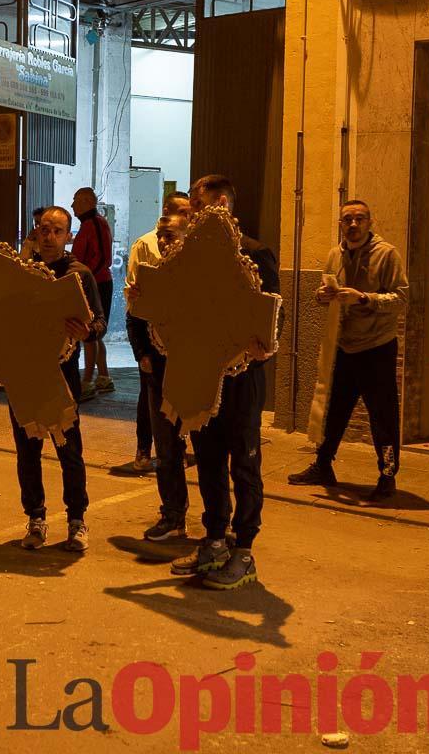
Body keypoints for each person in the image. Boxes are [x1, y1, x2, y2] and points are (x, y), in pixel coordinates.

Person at [168, 175, 279, 590]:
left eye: (197, 205)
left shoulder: (254, 252)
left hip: (242, 380)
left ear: (221, 205)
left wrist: (262, 343)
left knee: (244, 465)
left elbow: (274, 313)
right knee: (209, 460)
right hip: (202, 374)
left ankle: (244, 551)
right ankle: (215, 540)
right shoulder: (188, 257)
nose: (191, 213)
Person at [287, 199, 409, 501]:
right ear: (340, 224)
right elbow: (327, 295)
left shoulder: (387, 254)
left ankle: (387, 475)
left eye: (359, 219)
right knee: (334, 410)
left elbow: (402, 298)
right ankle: (323, 465)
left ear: (370, 222)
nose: (353, 224)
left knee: (382, 416)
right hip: (342, 346)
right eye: (347, 219)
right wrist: (322, 296)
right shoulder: (335, 255)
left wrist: (364, 298)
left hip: (376, 347)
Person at [11, 206, 106, 551]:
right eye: (43, 229)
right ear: (35, 233)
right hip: (24, 375)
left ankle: (76, 520)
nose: (49, 236)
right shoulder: (22, 272)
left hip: (63, 377)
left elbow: (100, 323)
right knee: (27, 451)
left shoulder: (79, 275)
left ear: (68, 237)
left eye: (57, 231)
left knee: (69, 450)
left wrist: (86, 332)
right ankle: (35, 519)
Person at [127, 212, 192, 541]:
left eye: (171, 236)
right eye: (161, 236)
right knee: (166, 449)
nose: (164, 242)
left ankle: (218, 525)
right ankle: (173, 514)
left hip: (195, 375)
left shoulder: (200, 276)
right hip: (159, 374)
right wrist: (143, 355)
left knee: (208, 452)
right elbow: (134, 318)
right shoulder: (149, 275)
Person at [117, 191, 191, 475]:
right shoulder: (145, 245)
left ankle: (177, 450)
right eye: (184, 212)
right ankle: (145, 449)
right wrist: (141, 352)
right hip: (153, 348)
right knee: (150, 401)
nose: (163, 242)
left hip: (183, 353)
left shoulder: (194, 259)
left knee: (182, 405)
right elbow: (134, 306)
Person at [70, 187, 114, 400]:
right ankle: (103, 377)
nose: (72, 205)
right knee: (93, 334)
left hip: (96, 284)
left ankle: (86, 382)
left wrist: (84, 280)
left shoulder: (96, 223)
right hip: (92, 282)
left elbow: (104, 258)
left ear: (87, 202)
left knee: (89, 332)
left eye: (75, 200)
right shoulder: (89, 224)